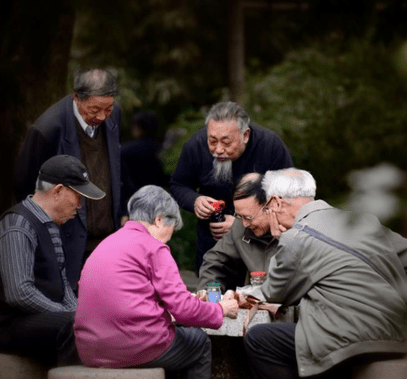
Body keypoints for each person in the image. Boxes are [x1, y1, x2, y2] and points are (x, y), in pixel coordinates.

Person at [244, 168, 407, 379]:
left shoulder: (297, 238)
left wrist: (281, 238)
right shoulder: (362, 221)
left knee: (260, 339)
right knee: (325, 326)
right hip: (399, 333)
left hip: (356, 338)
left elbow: (275, 292)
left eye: (266, 205)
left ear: (275, 202)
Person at [74, 185, 239, 379]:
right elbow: (182, 309)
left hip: (90, 348)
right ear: (160, 219)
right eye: (172, 228)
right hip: (131, 345)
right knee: (198, 344)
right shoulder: (154, 248)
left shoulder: (107, 243)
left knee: (171, 336)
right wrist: (220, 309)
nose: (170, 236)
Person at [0, 155, 106, 366]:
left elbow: (62, 285)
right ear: (57, 191)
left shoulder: (49, 224)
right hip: (8, 324)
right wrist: (72, 316)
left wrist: (80, 313)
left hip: (37, 318)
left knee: (91, 321)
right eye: (78, 196)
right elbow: (20, 293)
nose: (81, 205)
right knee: (74, 325)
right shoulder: (17, 224)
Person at [14, 68, 132, 290]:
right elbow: (25, 188)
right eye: (95, 109)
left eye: (108, 108)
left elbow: (116, 166)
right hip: (67, 240)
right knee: (70, 310)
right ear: (76, 97)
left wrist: (122, 210)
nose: (102, 116)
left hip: (107, 239)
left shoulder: (113, 115)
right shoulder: (47, 129)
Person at [169, 101, 293, 272]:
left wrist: (241, 225)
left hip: (262, 244)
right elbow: (178, 184)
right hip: (213, 245)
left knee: (256, 295)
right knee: (212, 293)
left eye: (226, 142)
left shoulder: (270, 147)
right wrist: (195, 200)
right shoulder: (196, 146)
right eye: (212, 141)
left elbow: (288, 200)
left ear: (245, 135)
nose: (218, 150)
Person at [197, 172, 278, 292]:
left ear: (270, 206)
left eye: (248, 217)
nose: (244, 224)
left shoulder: (295, 230)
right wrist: (212, 300)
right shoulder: (240, 226)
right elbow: (214, 262)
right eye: (239, 216)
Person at [121, 109, 168, 189]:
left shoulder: (125, 150)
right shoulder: (162, 149)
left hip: (132, 195)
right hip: (157, 194)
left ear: (138, 127)